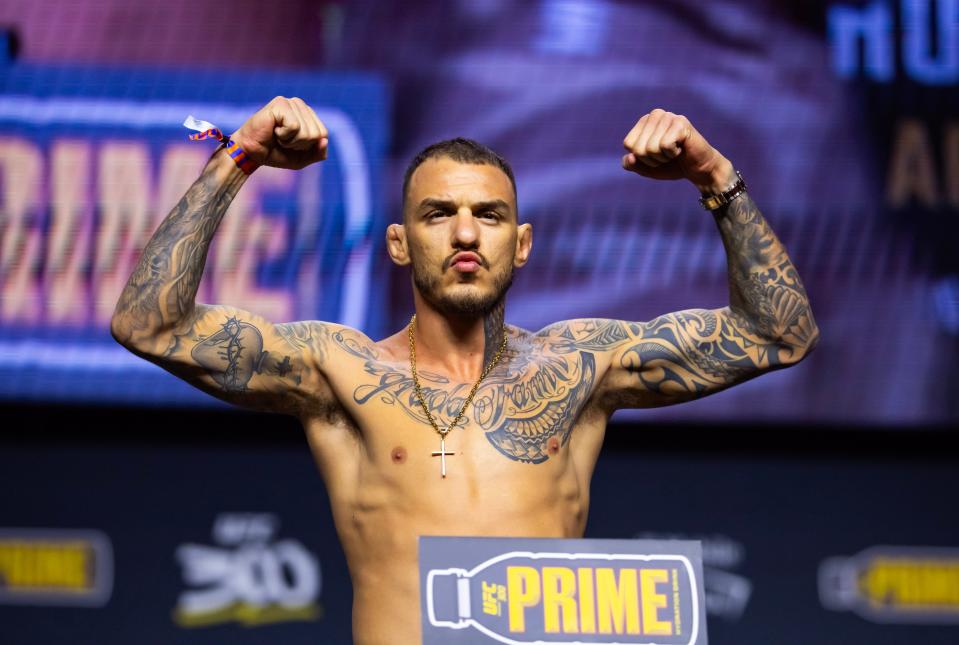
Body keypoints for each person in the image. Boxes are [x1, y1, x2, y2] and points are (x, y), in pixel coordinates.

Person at [111, 96, 818, 644]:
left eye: (489, 214)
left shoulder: (580, 366)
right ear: (397, 242)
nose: (466, 233)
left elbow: (778, 333)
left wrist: (713, 175)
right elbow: (150, 324)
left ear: (522, 244)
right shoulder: (339, 372)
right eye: (437, 213)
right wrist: (239, 156)